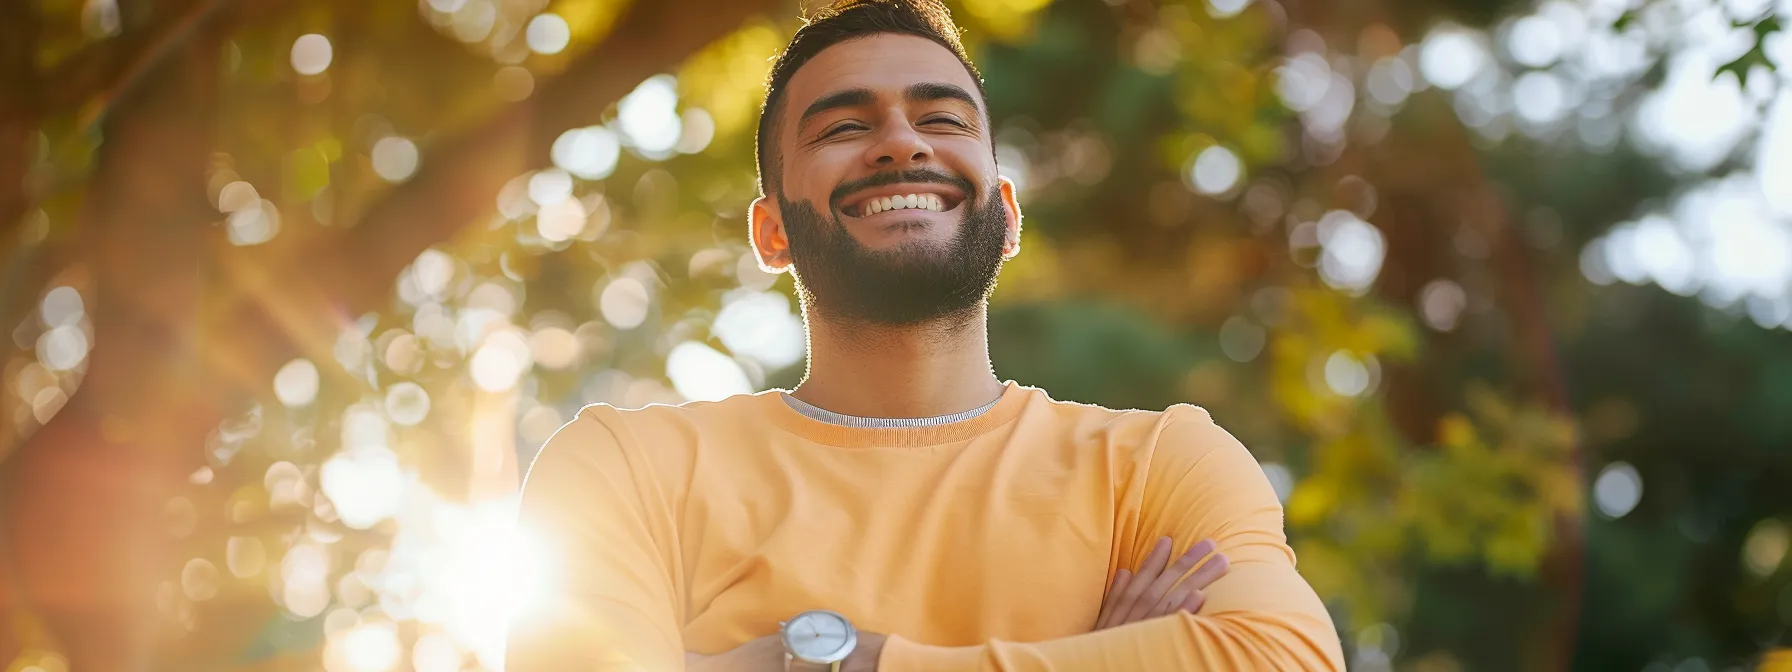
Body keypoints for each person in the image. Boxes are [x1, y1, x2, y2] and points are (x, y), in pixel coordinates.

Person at [505, 0, 1345, 669]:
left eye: (942, 120)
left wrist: (830, 659)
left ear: (1006, 214)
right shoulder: (628, 467)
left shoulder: (1158, 466)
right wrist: (1093, 655)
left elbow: (1279, 659)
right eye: (843, 127)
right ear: (772, 234)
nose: (901, 142)